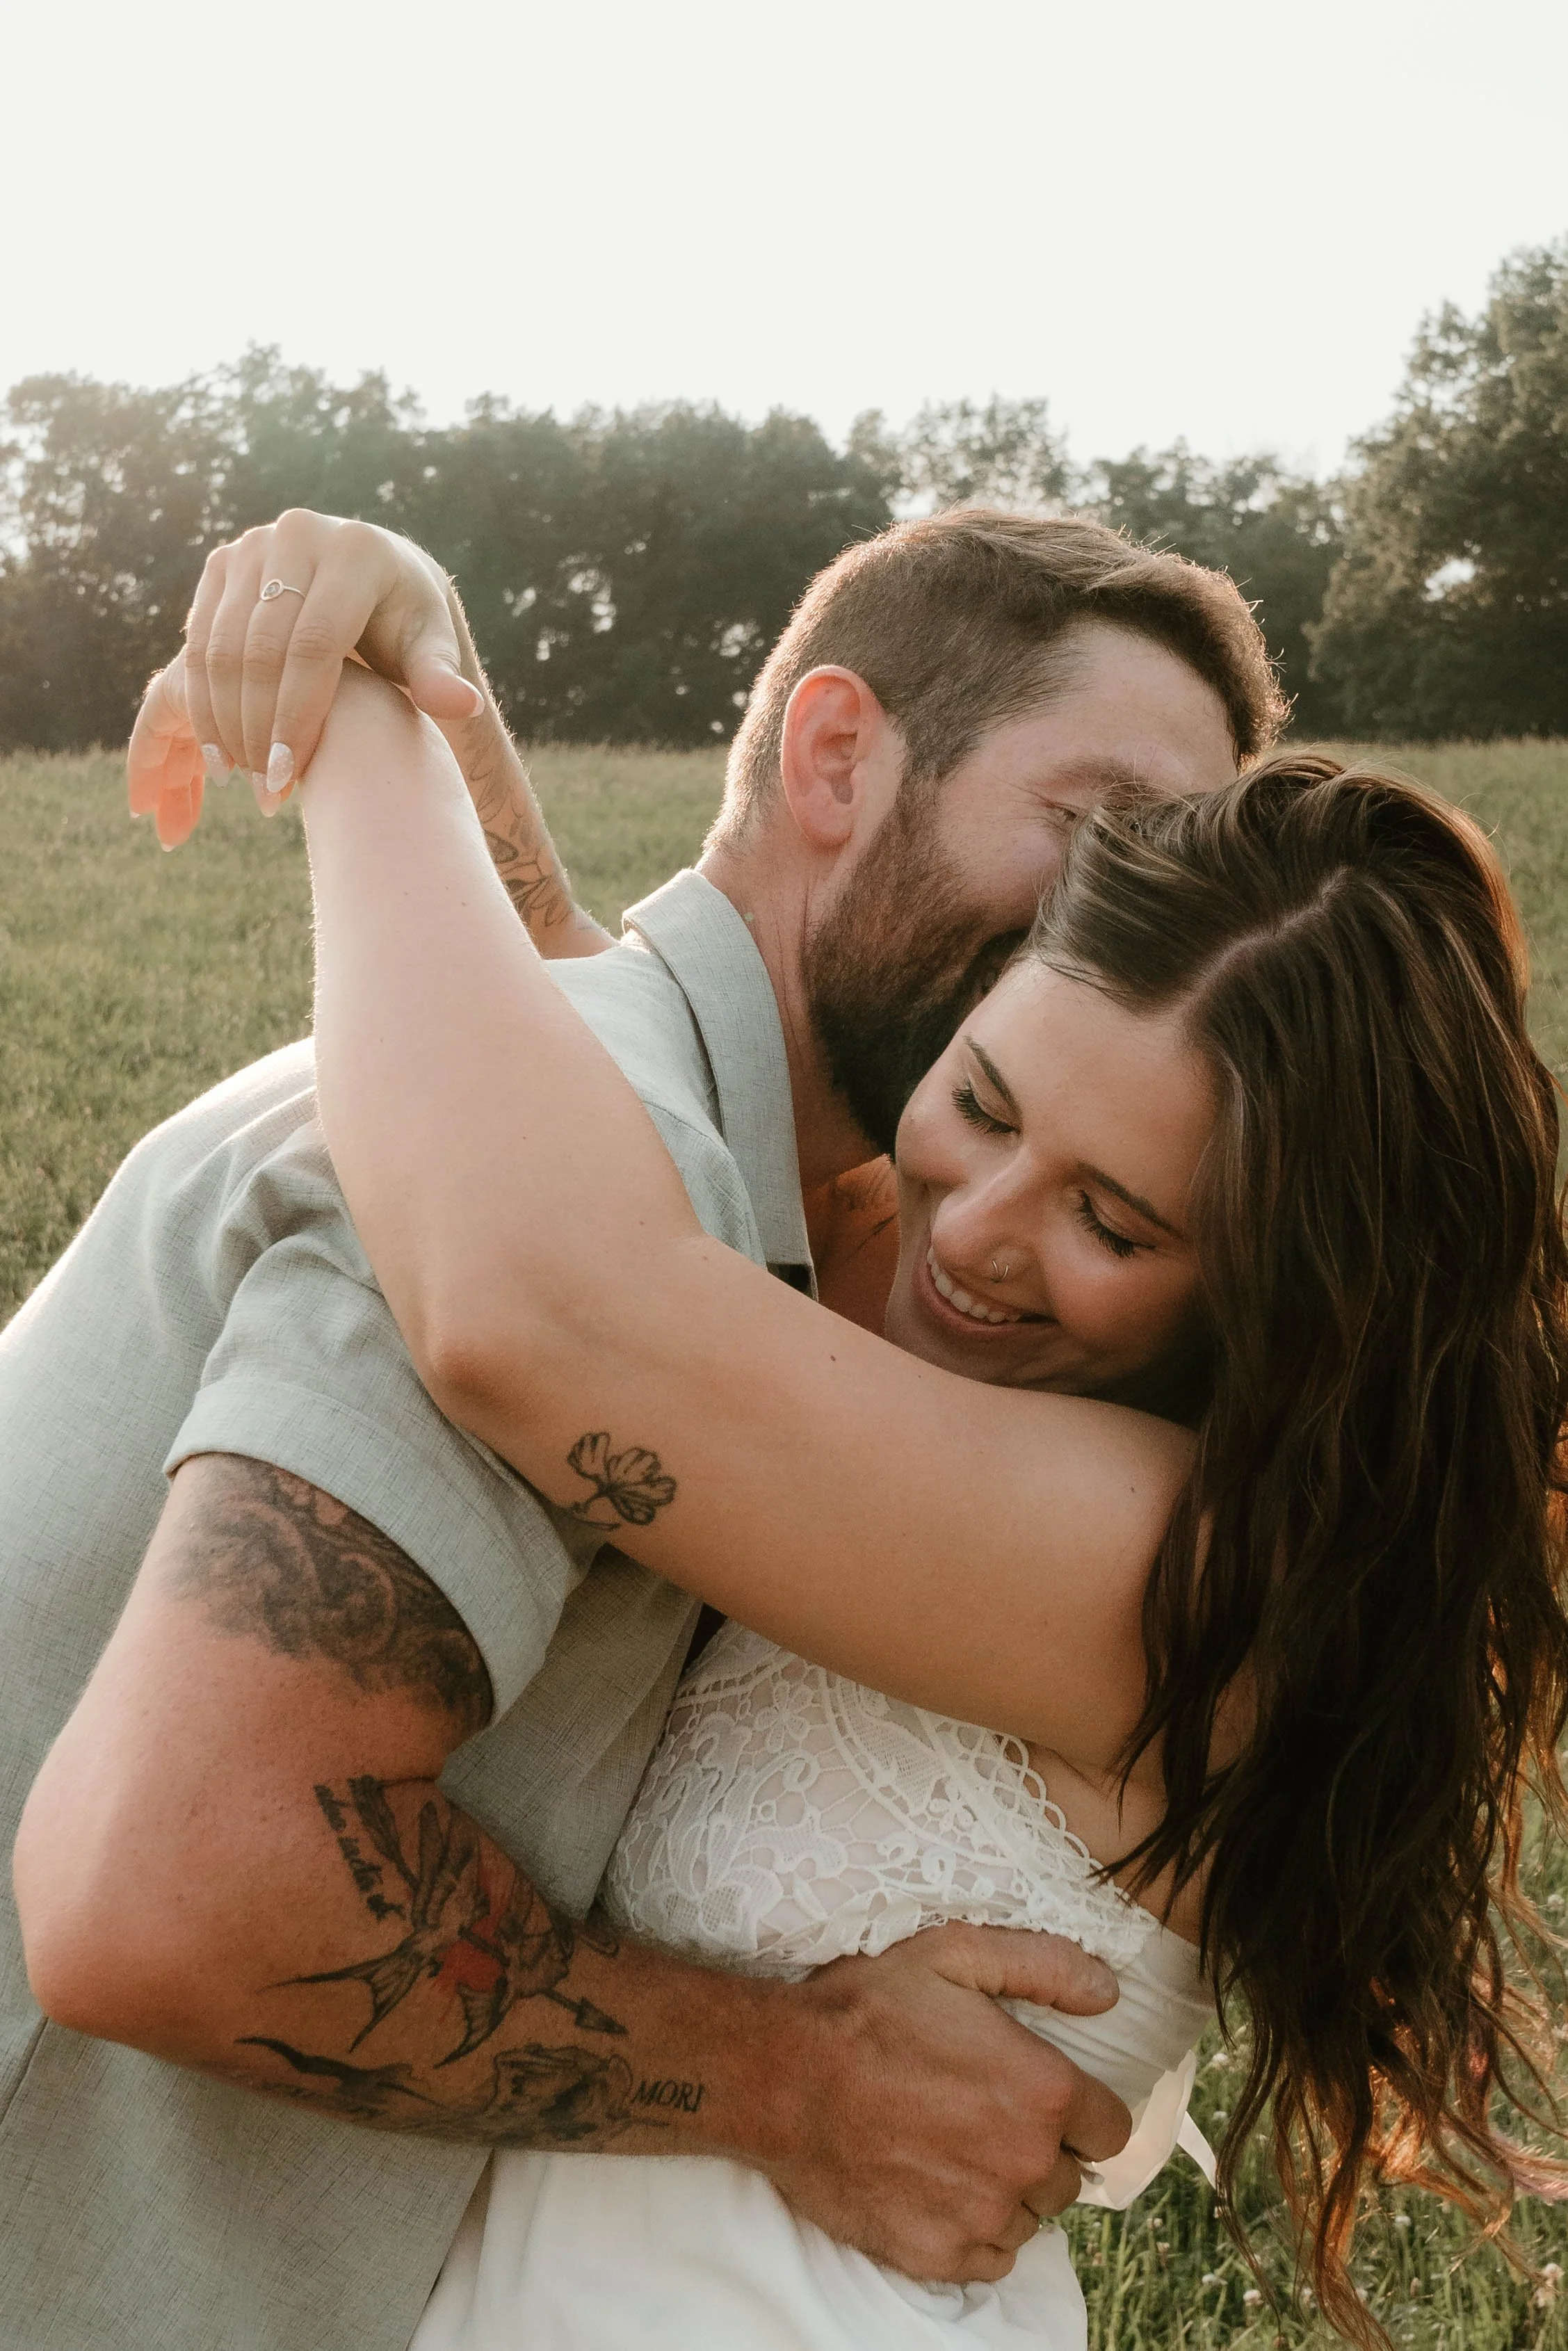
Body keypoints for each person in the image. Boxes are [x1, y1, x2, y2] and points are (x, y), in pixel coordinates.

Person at [5, 507, 1279, 2351]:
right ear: (831, 755)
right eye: (1094, 836)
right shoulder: (579, 1134)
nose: (1126, 941)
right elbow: (173, 1883)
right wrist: (797, 2078)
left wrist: (413, 677)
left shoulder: (576, 1109)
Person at [207, 663, 1568, 2347]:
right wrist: (459, 724)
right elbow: (610, 1101)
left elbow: (528, 1307)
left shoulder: (1165, 1564)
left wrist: (349, 733)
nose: (975, 1228)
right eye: (983, 1101)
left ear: (1278, 1302)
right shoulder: (944, 1393)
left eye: (1116, 1222)